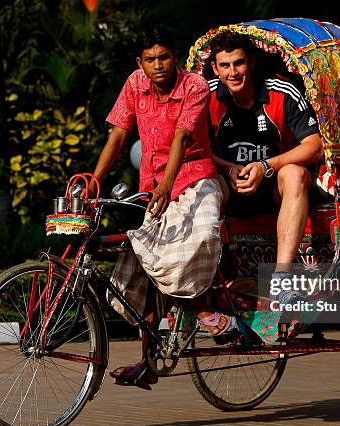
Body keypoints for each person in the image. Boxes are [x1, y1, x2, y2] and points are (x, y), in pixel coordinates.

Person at [90, 25, 233, 390]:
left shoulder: (195, 87)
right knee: (147, 264)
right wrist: (94, 178)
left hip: (196, 177)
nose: (158, 66)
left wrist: (168, 184)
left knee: (197, 235)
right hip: (153, 186)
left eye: (164, 57)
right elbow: (120, 133)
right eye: (150, 59)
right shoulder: (134, 84)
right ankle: (149, 363)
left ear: (176, 57)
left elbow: (183, 137)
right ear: (140, 62)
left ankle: (203, 309)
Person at [207, 31, 324, 330]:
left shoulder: (281, 92)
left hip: (275, 185)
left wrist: (265, 166)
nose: (233, 73)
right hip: (230, 184)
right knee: (203, 181)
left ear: (251, 62)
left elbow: (314, 145)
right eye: (225, 66)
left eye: (239, 63)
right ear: (215, 69)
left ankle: (282, 281)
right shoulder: (205, 96)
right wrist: (228, 167)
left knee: (297, 173)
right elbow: (191, 147)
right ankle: (206, 283)